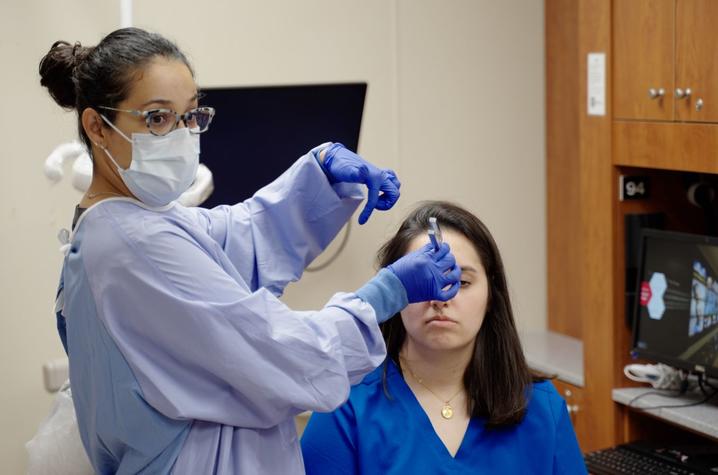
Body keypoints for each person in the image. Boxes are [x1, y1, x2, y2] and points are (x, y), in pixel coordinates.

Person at [39, 28, 463, 474]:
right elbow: (280, 352)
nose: (182, 135)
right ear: (95, 127)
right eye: (157, 119)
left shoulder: (127, 224)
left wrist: (322, 174)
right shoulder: (133, 245)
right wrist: (385, 294)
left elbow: (238, 237)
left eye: (189, 117)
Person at [301, 201, 587, 474]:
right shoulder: (346, 405)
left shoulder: (541, 406)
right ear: (394, 292)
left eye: (461, 282)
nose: (441, 297)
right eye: (423, 281)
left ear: (491, 296)